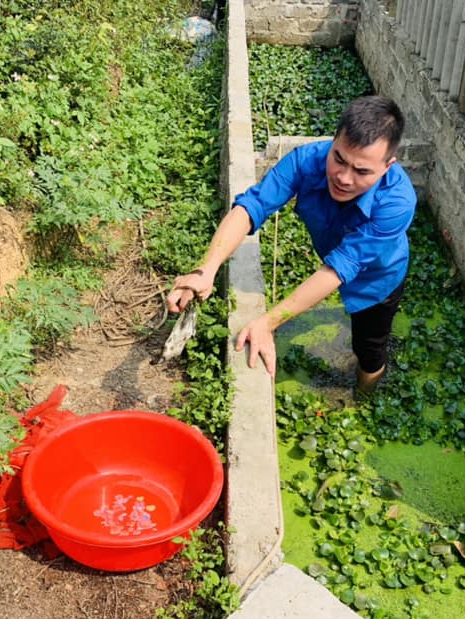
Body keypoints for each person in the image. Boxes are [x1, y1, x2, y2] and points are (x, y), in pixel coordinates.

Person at [166, 95, 417, 395]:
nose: (343, 178)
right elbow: (252, 206)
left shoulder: (397, 203)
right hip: (333, 256)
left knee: (369, 347)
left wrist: (268, 322)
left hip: (378, 279)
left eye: (362, 171)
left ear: (388, 166)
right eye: (338, 158)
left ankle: (365, 394)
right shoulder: (306, 161)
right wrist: (205, 270)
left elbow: (340, 268)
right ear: (334, 139)